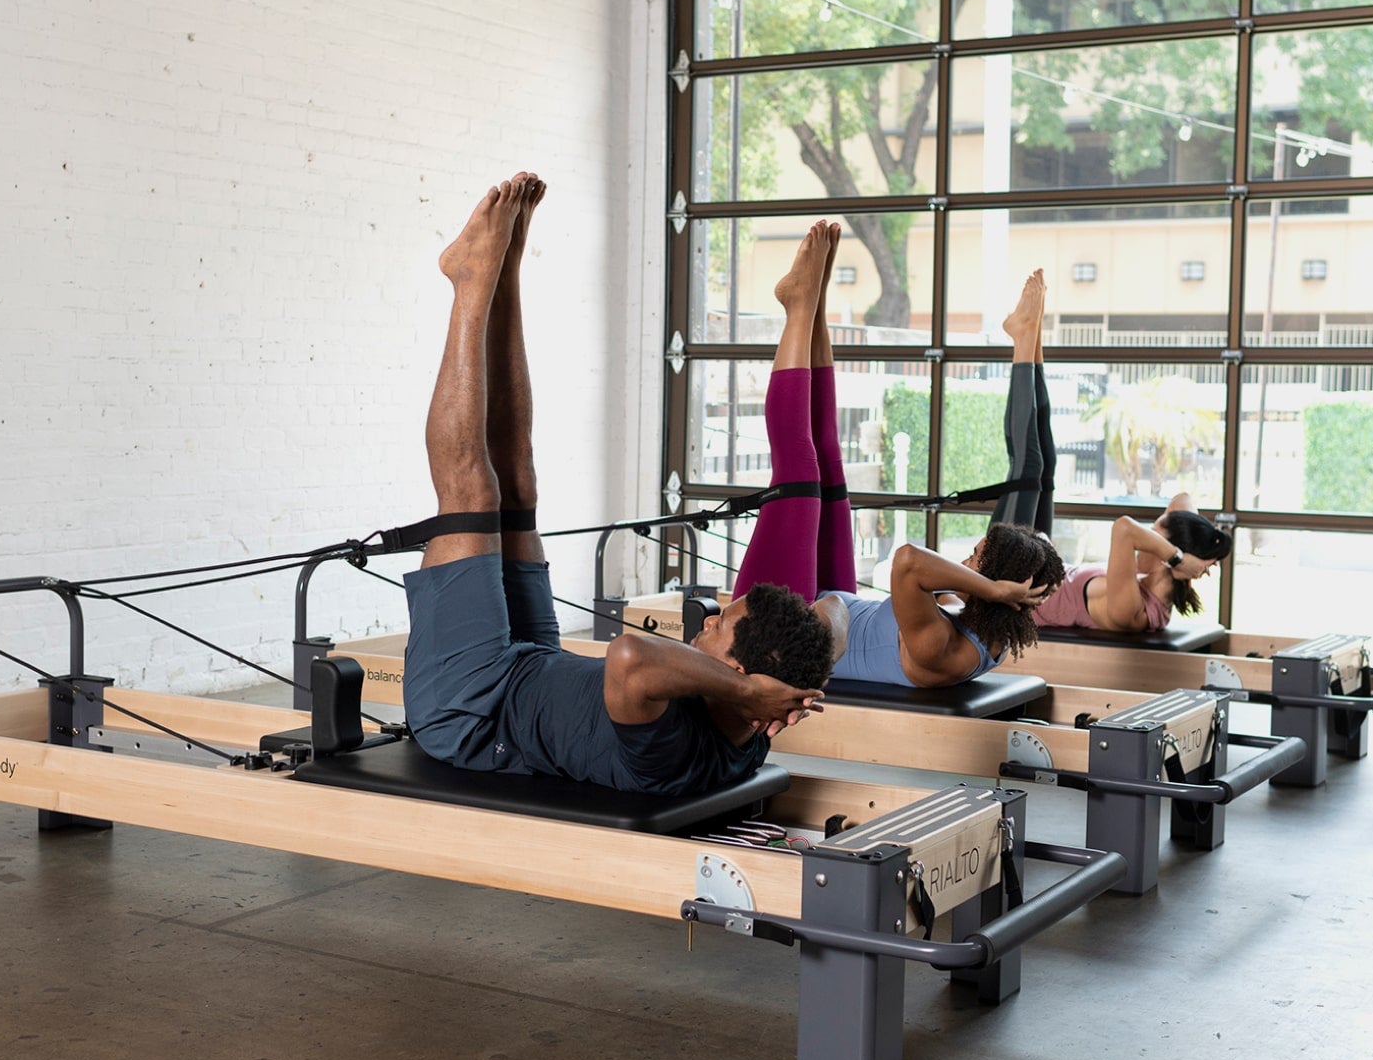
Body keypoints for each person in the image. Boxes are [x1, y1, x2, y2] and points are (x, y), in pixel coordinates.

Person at [401, 173, 834, 796]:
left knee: (473, 497)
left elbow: (630, 655)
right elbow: (837, 611)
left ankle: (469, 281)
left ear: (741, 673)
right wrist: (780, 685)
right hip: (535, 665)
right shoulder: (749, 710)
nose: (705, 621)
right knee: (518, 475)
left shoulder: (678, 748)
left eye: (717, 628)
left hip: (472, 711)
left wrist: (748, 692)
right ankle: (506, 270)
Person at [703, 221, 1063, 690]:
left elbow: (908, 560)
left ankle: (797, 307)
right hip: (835, 606)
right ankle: (813, 305)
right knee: (829, 470)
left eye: (976, 559)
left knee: (797, 472)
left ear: (998, 588)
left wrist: (993, 587)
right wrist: (997, 586)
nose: (965, 562)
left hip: (779, 639)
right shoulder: (984, 629)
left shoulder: (944, 647)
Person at [996, 273, 1233, 632]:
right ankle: (1032, 335)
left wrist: (1182, 557)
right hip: (1040, 560)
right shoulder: (1154, 572)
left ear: (1168, 559)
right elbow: (1182, 501)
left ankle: (1023, 340)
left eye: (1154, 537)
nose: (1147, 541)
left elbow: (1124, 529)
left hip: (1007, 585)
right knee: (1047, 465)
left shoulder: (1133, 609)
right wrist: (1200, 552)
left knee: (1028, 467)